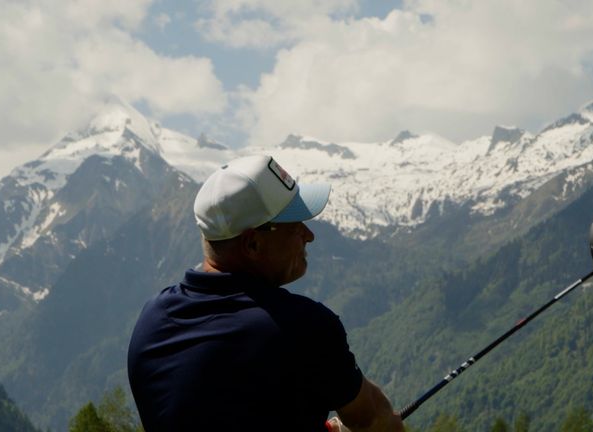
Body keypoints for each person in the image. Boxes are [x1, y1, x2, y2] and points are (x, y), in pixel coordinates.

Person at [127, 155, 403, 431]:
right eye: (295, 224)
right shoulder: (303, 327)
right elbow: (374, 421)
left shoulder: (152, 321)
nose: (309, 235)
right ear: (253, 244)